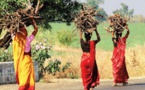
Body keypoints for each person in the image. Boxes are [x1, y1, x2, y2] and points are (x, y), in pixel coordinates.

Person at [12, 16, 38, 90]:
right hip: (22, 63)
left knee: (28, 79)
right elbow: (12, 30)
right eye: (23, 30)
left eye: (25, 30)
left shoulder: (27, 40)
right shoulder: (16, 38)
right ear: (19, 31)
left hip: (27, 62)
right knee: (23, 80)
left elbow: (36, 30)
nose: (25, 31)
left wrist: (33, 20)